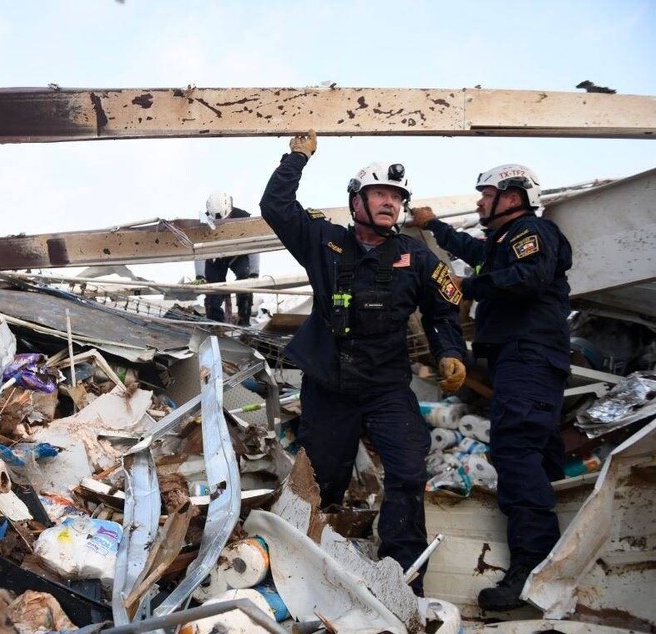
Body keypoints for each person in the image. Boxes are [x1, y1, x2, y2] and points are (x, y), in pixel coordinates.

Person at [259, 130, 467, 595]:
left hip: (386, 388)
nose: (390, 203)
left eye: (396, 197)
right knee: (321, 482)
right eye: (380, 194)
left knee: (409, 472)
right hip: (329, 386)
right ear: (356, 201)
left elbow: (443, 311)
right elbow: (276, 208)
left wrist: (451, 351)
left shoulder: (417, 257)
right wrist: (296, 158)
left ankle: (403, 581)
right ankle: (300, 572)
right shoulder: (324, 243)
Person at [411, 164, 572, 611]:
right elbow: (475, 250)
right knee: (538, 452)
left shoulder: (531, 231)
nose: (479, 201)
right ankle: (560, 560)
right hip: (523, 358)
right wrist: (433, 226)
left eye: (486, 194)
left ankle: (532, 566)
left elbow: (527, 277)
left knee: (515, 450)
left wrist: (469, 286)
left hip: (529, 354)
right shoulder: (505, 242)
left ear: (514, 195)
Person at [194, 191, 260, 325]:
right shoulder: (203, 222)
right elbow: (198, 248)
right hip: (215, 257)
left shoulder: (243, 218)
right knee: (213, 292)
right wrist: (200, 275)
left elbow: (255, 244)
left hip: (237, 254)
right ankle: (216, 326)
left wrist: (254, 272)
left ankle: (244, 321)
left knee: (245, 281)